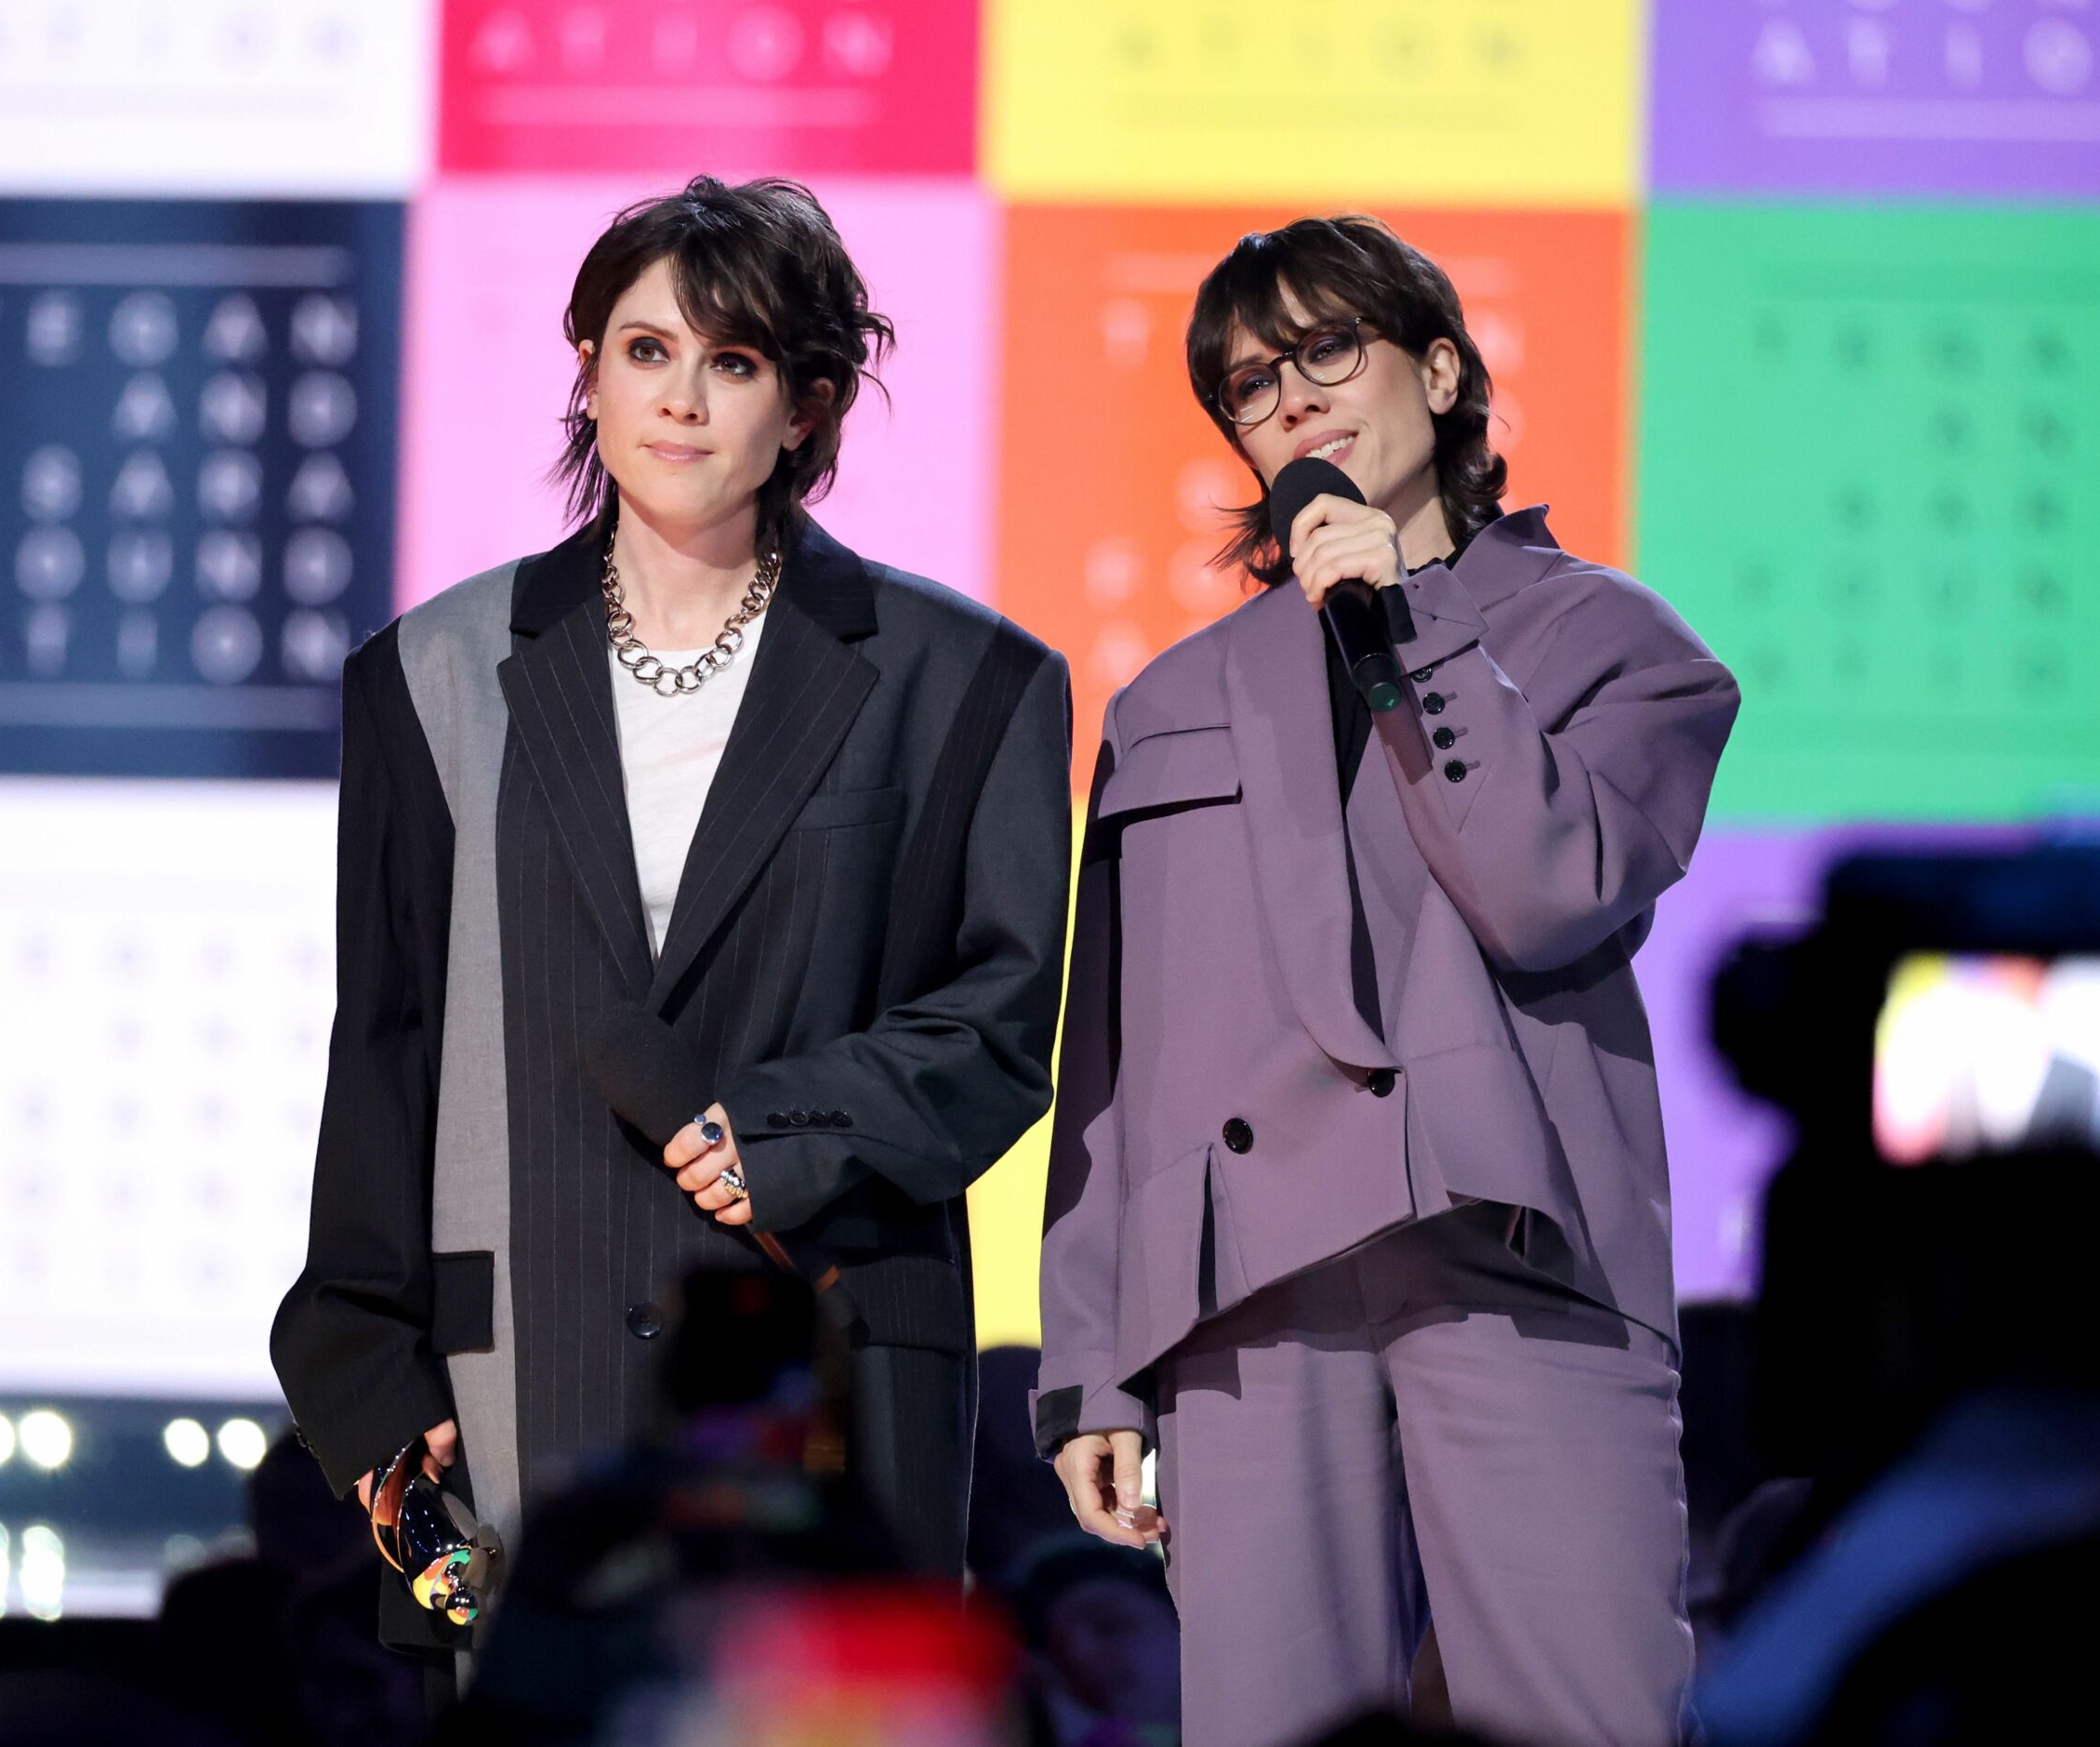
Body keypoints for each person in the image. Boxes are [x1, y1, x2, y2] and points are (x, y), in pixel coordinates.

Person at [272, 176, 1073, 1650]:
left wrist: (792, 1131)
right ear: (586, 373)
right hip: (526, 1368)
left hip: (822, 1334)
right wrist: (368, 1379)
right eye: (644, 351)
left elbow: (1006, 1012)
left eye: (735, 361)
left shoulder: (962, 680)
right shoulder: (435, 672)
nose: (683, 401)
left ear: (810, 403)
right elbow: (384, 1039)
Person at [1032, 215, 1739, 1747]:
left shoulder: (1621, 647)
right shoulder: (1168, 704)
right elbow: (1112, 1057)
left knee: (1586, 1716)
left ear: (1440, 367)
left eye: (1324, 350)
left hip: (1523, 1252)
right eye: (1245, 382)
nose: (1287, 397)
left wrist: (1406, 623)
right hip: (1250, 1297)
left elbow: (1546, 895)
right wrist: (1091, 1363)